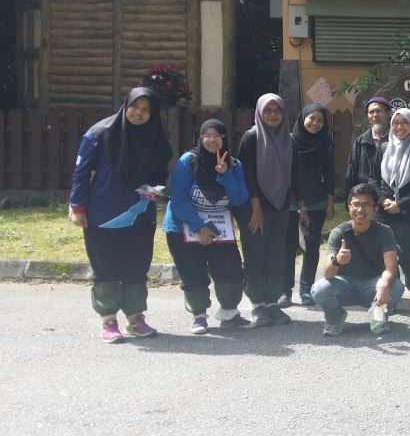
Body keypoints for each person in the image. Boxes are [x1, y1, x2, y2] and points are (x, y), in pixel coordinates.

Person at [68, 87, 173, 343]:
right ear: (126, 105)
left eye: (146, 110)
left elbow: (161, 173)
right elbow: (81, 173)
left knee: (137, 265)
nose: (139, 113)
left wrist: (158, 191)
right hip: (103, 213)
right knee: (105, 266)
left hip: (140, 214)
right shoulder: (99, 134)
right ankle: (108, 321)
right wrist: (77, 207)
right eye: (135, 106)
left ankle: (135, 318)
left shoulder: (156, 137)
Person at [163, 119, 251, 334]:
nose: (212, 140)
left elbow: (240, 199)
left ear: (225, 138)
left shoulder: (234, 165)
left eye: (217, 135)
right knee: (193, 272)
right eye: (207, 135)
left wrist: (225, 175)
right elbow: (178, 199)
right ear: (200, 138)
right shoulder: (188, 161)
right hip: (183, 226)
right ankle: (199, 316)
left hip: (219, 228)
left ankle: (229, 312)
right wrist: (199, 228)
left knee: (230, 270)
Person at [311, 183, 405, 336]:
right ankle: (334, 318)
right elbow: (327, 274)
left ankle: (378, 317)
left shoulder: (385, 232)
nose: (360, 210)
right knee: (320, 289)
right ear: (349, 207)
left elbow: (391, 268)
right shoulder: (339, 232)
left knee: (395, 286)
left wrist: (383, 284)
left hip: (371, 286)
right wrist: (337, 260)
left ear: (375, 209)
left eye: (366, 205)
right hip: (345, 286)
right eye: (356, 204)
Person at [236, 93, 294, 328]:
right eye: (268, 110)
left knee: (276, 256)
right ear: (259, 112)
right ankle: (257, 305)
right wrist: (256, 209)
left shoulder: (288, 139)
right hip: (255, 208)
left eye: (277, 110)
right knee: (255, 256)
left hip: (280, 207)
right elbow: (247, 176)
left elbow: (293, 175)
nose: (272, 115)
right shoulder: (251, 137)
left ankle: (271, 303)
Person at [370, 108, 410, 318]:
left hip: (409, 213)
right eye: (396, 123)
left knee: (409, 256)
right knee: (384, 257)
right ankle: (391, 297)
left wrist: (401, 204)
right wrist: (382, 200)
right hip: (384, 211)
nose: (399, 127)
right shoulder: (384, 148)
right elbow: (374, 179)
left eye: (404, 122)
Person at [280, 103, 335, 308]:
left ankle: (306, 290)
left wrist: (330, 202)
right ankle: (284, 291)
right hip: (290, 200)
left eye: (320, 120)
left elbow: (329, 173)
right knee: (288, 246)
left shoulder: (325, 143)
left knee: (311, 246)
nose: (315, 123)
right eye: (312, 118)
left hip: (316, 201)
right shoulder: (288, 141)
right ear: (302, 118)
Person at [344, 96, 391, 200]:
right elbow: (352, 171)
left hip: (389, 197)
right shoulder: (361, 141)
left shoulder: (396, 139)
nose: (375, 115)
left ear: (388, 114)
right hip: (365, 198)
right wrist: (349, 200)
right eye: (371, 112)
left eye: (378, 111)